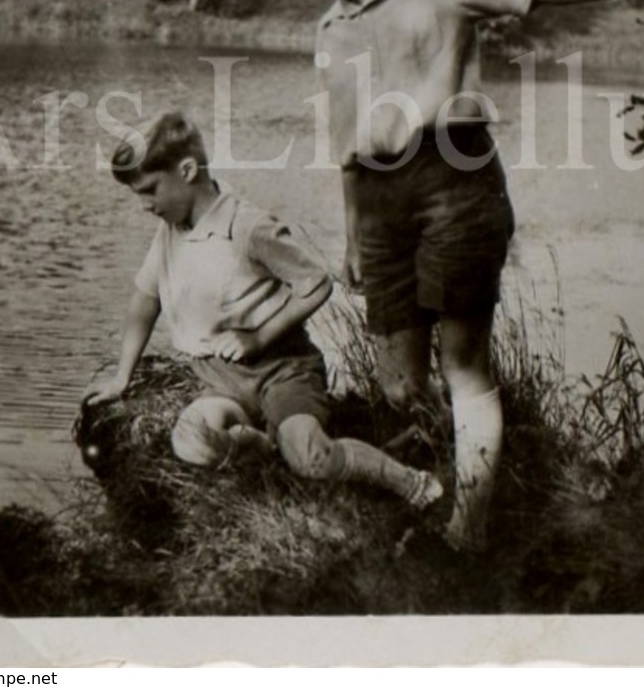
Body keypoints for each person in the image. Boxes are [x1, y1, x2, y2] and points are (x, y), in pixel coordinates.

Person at [278, 0, 644, 553]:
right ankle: (426, 495)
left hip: (454, 179)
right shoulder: (330, 28)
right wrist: (352, 232)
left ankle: (469, 531)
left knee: (463, 360)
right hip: (378, 204)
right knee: (399, 385)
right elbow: (344, 142)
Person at [82, 109, 442, 511]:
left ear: (186, 171)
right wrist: (121, 376)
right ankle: (266, 451)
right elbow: (144, 301)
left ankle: (411, 483)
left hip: (282, 370)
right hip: (220, 379)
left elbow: (317, 283)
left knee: (310, 455)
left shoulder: (247, 227)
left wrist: (258, 336)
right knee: (191, 442)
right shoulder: (170, 233)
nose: (145, 205)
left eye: (149, 190)